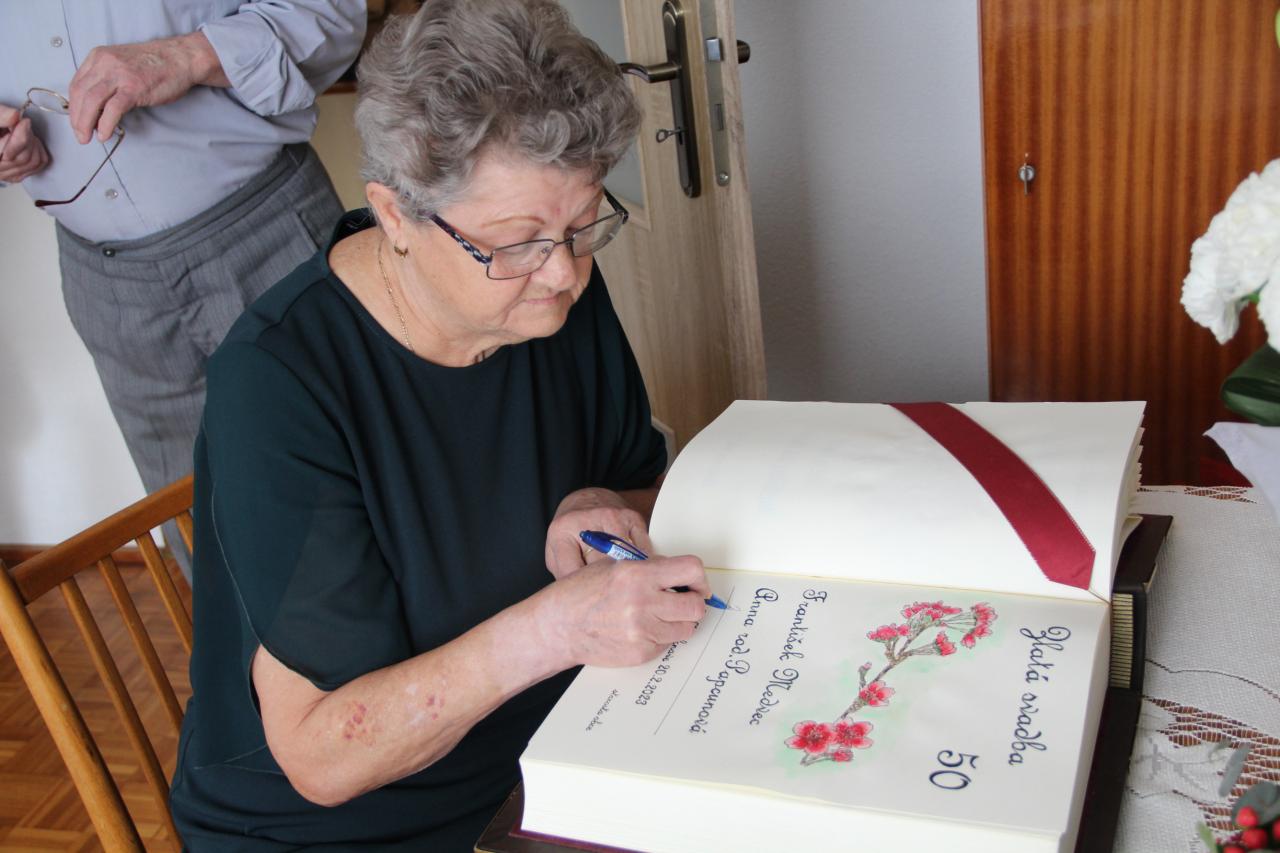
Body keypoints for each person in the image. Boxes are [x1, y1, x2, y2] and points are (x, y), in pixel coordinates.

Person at [168, 0, 711, 849]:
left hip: (557, 742)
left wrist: (599, 501)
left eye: (582, 226)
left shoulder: (550, 289)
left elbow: (645, 483)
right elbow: (321, 756)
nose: (562, 273)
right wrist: (554, 626)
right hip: (356, 825)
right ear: (395, 215)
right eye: (517, 242)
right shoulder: (278, 384)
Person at [0, 2, 366, 576]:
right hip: (105, 284)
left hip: (268, 234)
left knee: (365, 471)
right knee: (205, 530)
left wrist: (191, 55)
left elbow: (333, 15)